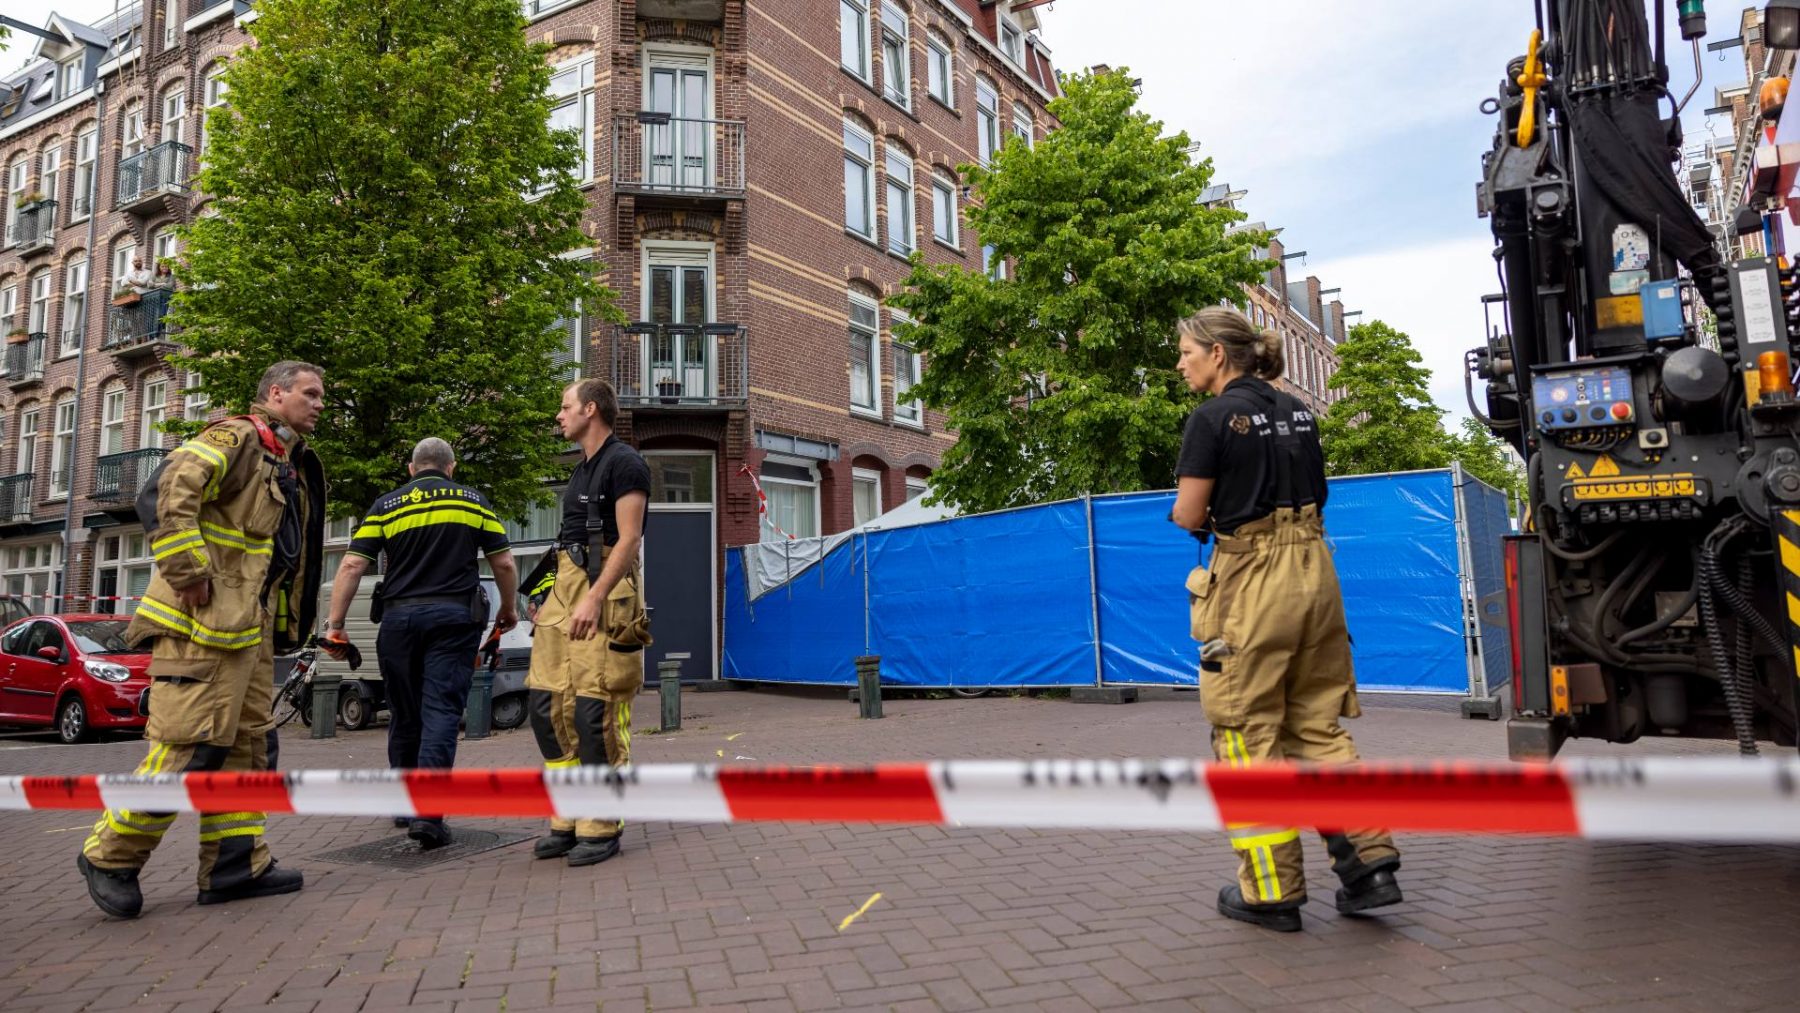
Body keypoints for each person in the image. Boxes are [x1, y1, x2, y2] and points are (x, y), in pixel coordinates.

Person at [1170, 306, 1403, 933]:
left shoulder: (1211, 418)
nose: (1181, 363)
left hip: (1252, 580)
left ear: (1218, 354)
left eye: (1187, 352)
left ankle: (1271, 893)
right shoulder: (1299, 410)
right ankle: (1370, 868)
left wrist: (1193, 513)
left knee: (1246, 733)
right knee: (1315, 725)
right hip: (1315, 570)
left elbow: (1191, 514)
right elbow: (1318, 492)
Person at [79, 361, 328, 919]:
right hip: (203, 627)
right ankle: (110, 856)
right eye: (309, 394)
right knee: (191, 745)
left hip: (246, 630)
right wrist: (188, 570)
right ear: (276, 393)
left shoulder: (285, 456)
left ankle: (235, 867)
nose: (319, 404)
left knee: (247, 749)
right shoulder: (236, 436)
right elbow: (169, 489)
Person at [323, 437, 519, 849]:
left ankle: (404, 802)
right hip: (453, 620)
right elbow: (502, 560)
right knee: (441, 712)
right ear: (452, 468)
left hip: (397, 622)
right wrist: (509, 610)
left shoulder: (386, 504)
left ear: (412, 469)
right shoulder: (473, 502)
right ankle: (428, 815)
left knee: (404, 713)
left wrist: (335, 624)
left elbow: (353, 563)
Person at [523, 378, 652, 867]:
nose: (559, 415)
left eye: (565, 406)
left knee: (594, 713)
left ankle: (601, 824)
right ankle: (569, 817)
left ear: (590, 409)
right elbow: (566, 543)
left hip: (604, 594)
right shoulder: (581, 470)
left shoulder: (625, 463)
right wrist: (544, 597)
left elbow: (629, 539)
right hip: (565, 594)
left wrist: (594, 599)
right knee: (547, 706)